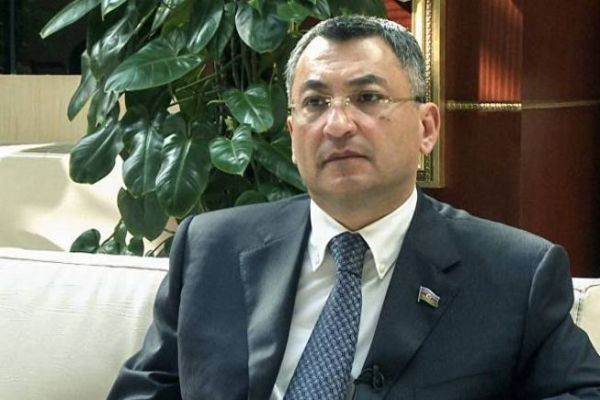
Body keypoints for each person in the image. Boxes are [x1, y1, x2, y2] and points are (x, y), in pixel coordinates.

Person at [107, 15, 600, 399]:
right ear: (292, 134)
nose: (338, 125)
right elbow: (146, 391)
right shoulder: (210, 248)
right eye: (315, 103)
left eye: (367, 97)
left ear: (427, 128)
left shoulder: (514, 273)